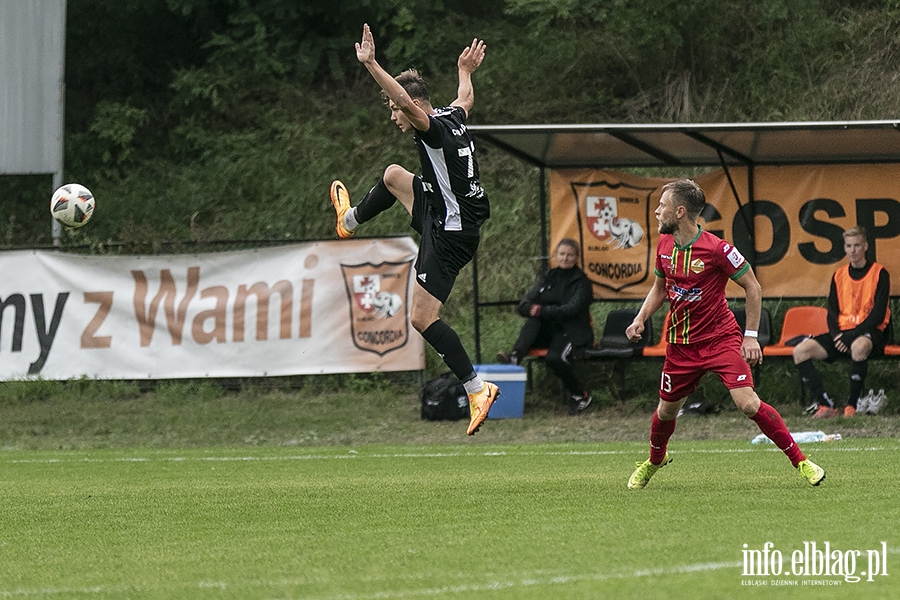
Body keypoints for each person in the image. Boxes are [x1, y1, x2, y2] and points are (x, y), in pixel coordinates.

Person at [329, 24, 498, 435]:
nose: (393, 115)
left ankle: (477, 388)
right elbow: (466, 99)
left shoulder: (432, 127)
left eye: (393, 109)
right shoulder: (451, 116)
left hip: (451, 232)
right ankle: (349, 221)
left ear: (415, 107)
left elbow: (404, 98)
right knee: (393, 176)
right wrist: (465, 72)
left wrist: (371, 63)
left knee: (421, 318)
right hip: (447, 212)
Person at [624, 179, 825, 489]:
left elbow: (753, 287)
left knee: (748, 404)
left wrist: (751, 335)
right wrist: (640, 319)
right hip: (680, 346)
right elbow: (659, 288)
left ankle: (801, 461)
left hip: (720, 339)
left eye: (662, 206)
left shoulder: (718, 249)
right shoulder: (664, 245)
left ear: (680, 211)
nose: (656, 211)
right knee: (665, 412)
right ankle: (654, 460)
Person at [793, 226, 891, 419]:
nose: (853, 250)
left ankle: (852, 406)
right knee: (800, 351)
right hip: (842, 334)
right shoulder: (839, 275)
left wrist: (852, 334)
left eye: (857, 245)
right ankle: (824, 404)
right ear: (844, 248)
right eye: (849, 246)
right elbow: (832, 311)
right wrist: (837, 334)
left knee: (859, 346)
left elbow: (878, 314)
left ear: (865, 246)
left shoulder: (879, 273)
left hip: (869, 332)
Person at [497, 238, 594, 414]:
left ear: (577, 258)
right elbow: (524, 305)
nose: (565, 258)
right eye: (562, 254)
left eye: (570, 255)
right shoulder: (549, 277)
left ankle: (581, 395)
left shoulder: (582, 283)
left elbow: (571, 310)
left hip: (572, 332)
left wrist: (540, 310)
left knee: (554, 358)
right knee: (533, 322)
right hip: (549, 330)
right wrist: (536, 311)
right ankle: (514, 357)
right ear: (555, 256)